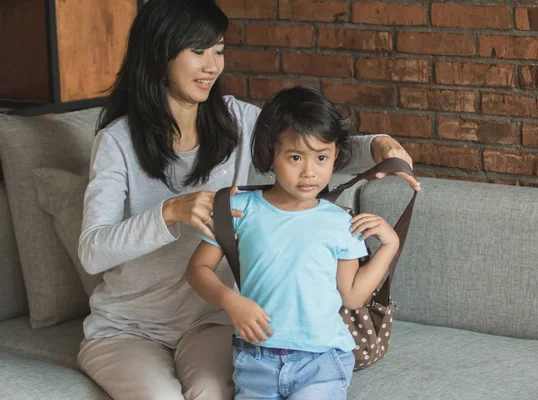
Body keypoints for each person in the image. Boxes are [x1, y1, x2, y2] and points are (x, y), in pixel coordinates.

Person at [77, 0, 419, 399]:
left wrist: (377, 146)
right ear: (159, 52)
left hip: (210, 321)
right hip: (127, 328)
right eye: (198, 51)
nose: (213, 66)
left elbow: (303, 145)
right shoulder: (116, 142)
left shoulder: (234, 119)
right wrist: (169, 212)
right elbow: (92, 251)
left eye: (219, 50)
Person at [186, 86, 401, 399]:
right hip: (255, 361)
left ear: (335, 157)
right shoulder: (239, 208)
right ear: (270, 153)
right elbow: (198, 268)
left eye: (322, 157)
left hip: (322, 362)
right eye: (296, 156)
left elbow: (353, 296)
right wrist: (230, 301)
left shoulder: (340, 221)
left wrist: (389, 248)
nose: (309, 171)